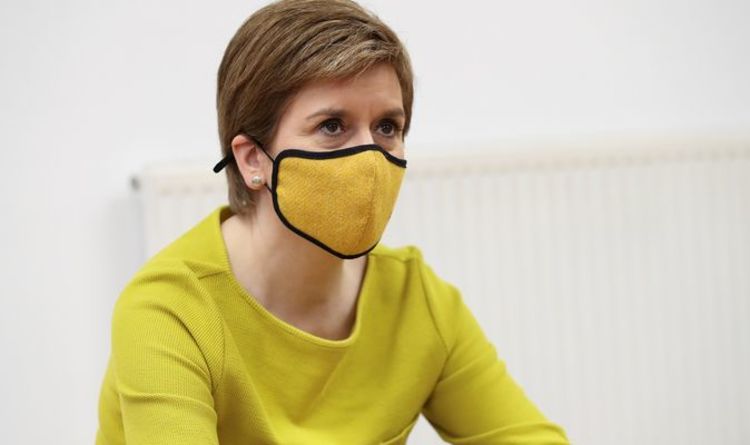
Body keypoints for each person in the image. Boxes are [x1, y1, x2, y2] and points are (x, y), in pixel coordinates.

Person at [95, 0, 570, 444]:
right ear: (252, 159)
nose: (369, 158)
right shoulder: (169, 311)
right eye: (332, 126)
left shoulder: (415, 300)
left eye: (387, 127)